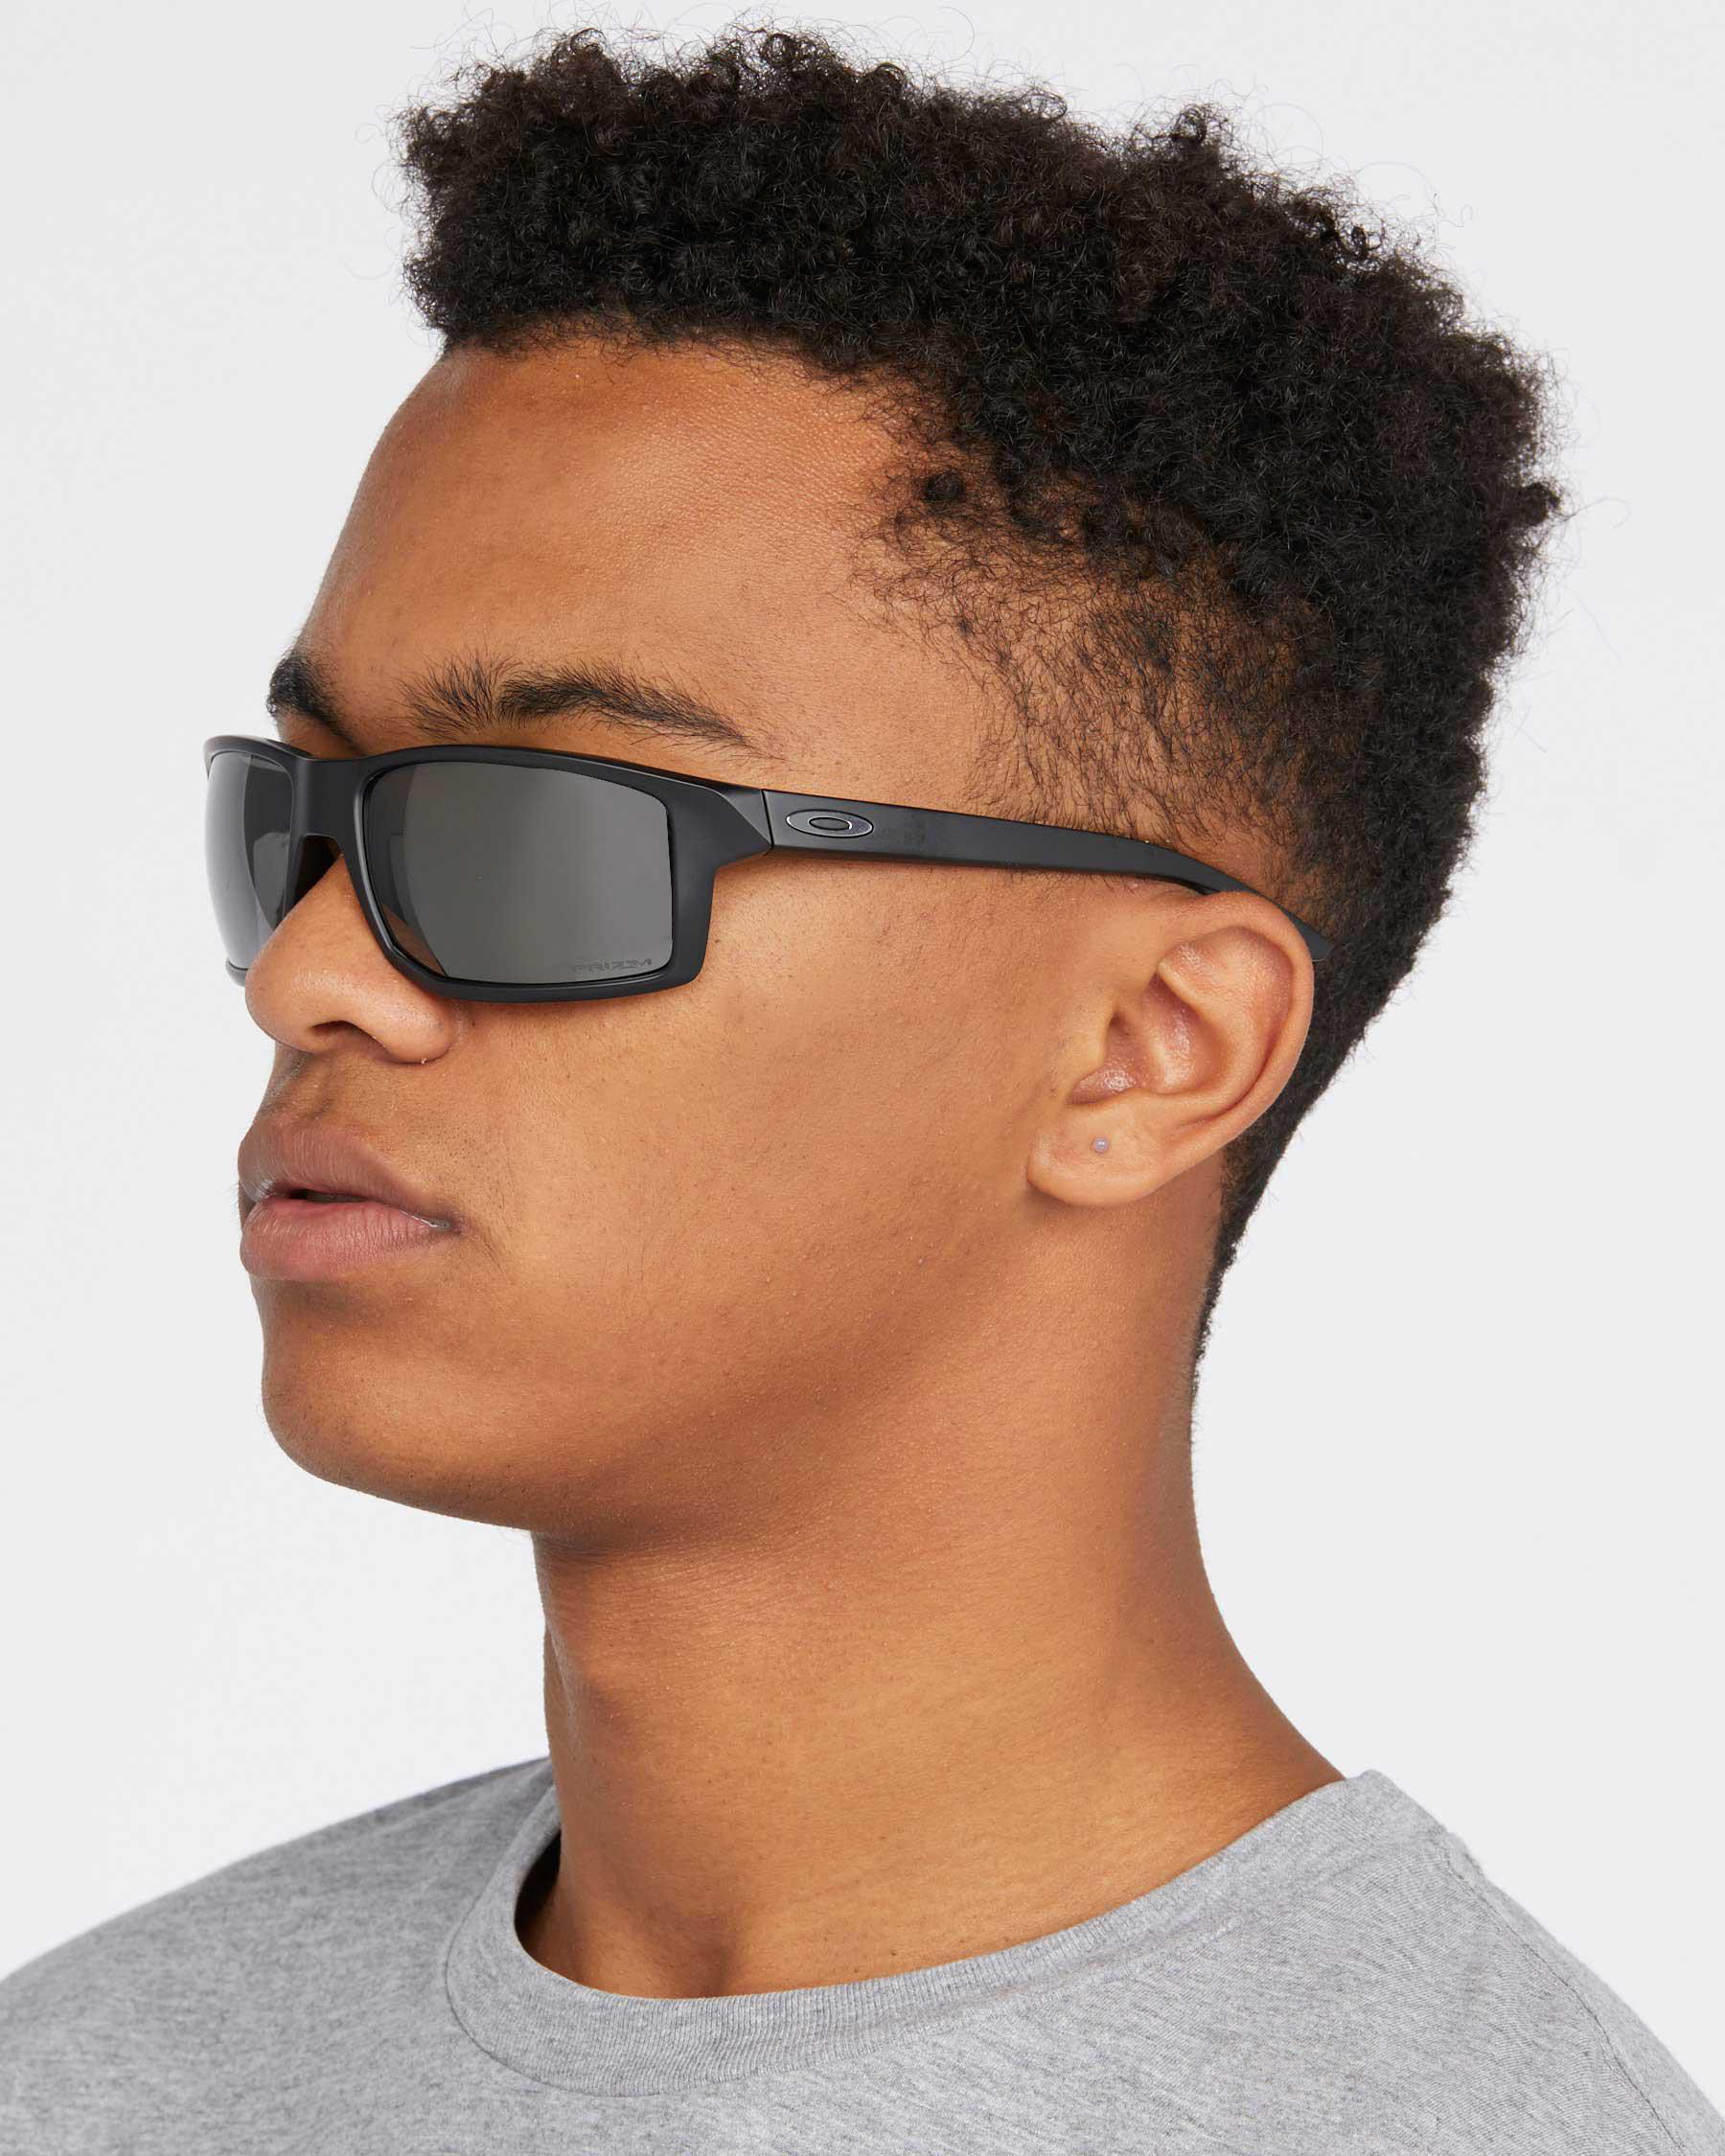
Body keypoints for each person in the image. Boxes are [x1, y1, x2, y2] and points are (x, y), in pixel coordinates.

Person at [4, 21, 1719, 2153]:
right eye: (303, 820)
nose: (308, 970)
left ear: (1149, 1048)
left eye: (543, 834)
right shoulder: (93, 2072)